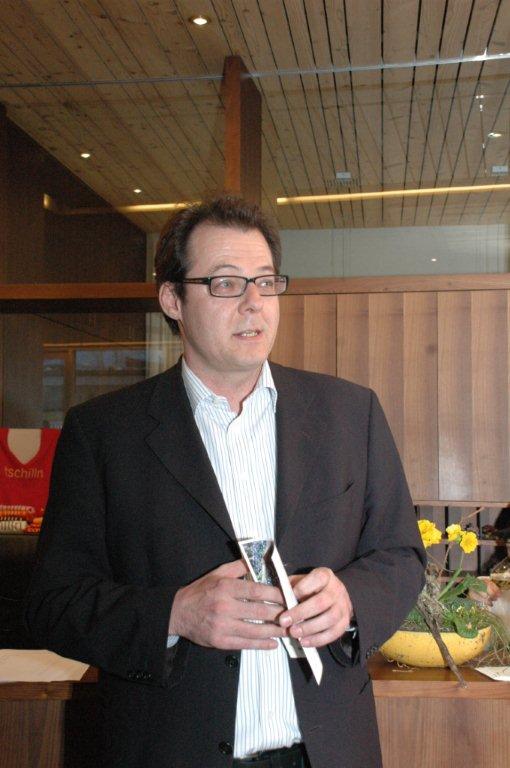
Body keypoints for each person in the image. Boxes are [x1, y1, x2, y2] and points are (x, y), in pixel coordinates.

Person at [25, 196, 426, 768]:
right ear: (173, 299)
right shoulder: (103, 433)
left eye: (266, 281)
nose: (254, 302)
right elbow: (54, 603)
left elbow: (401, 555)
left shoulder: (349, 413)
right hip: (166, 751)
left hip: (327, 751)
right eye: (226, 283)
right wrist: (175, 614)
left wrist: (351, 599)